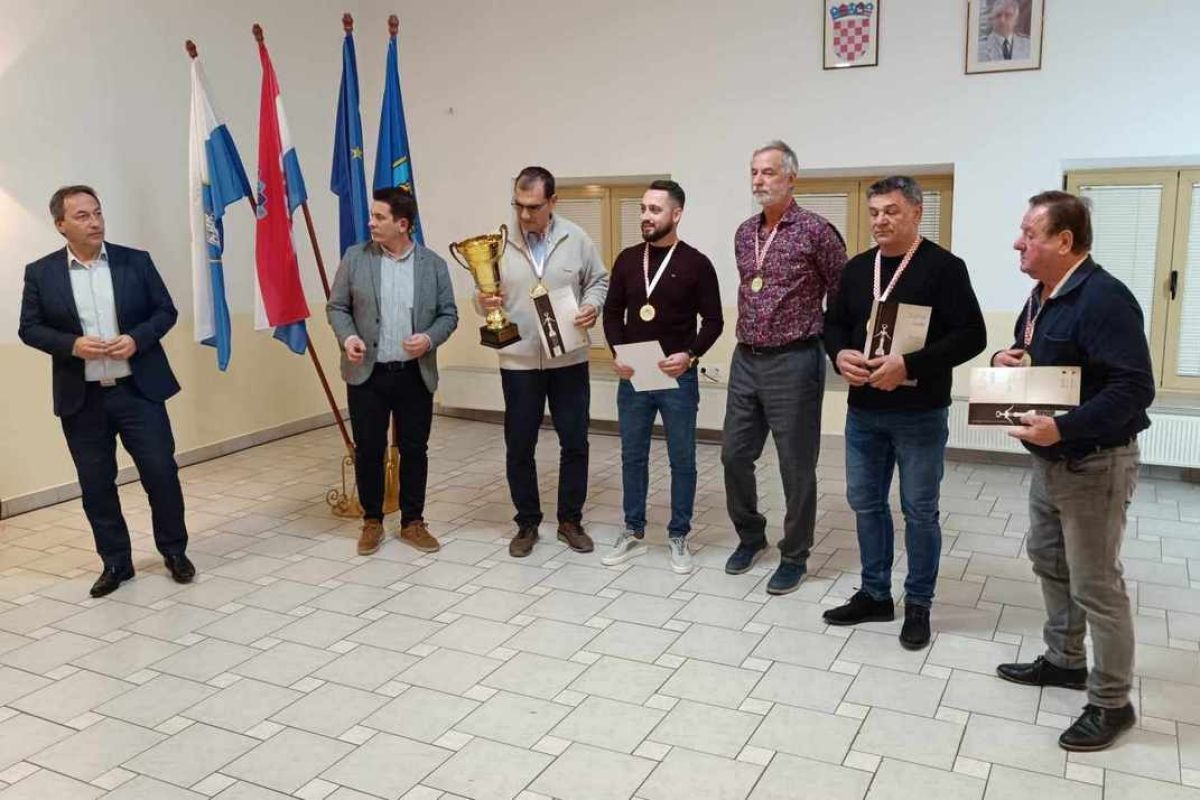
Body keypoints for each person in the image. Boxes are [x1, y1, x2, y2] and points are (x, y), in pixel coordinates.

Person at [993, 191, 1154, 752]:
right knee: (1049, 559)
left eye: (1029, 234)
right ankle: (1064, 660)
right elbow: (1033, 355)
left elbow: (1134, 389)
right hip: (1052, 460)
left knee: (1096, 584)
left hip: (1095, 462)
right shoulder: (1042, 295)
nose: (1017, 242)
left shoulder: (1106, 298)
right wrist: (1005, 360)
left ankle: (1112, 702)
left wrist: (1064, 429)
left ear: (1064, 241)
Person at [822, 176, 986, 649]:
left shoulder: (944, 268)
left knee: (919, 511)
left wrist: (910, 365)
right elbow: (833, 325)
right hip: (864, 412)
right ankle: (875, 594)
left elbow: (972, 335)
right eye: (874, 212)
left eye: (891, 211)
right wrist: (839, 354)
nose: (880, 220)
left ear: (916, 212)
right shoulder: (857, 269)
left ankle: (918, 604)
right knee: (866, 503)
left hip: (920, 413)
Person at [18, 186, 195, 597]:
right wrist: (71, 345)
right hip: (83, 400)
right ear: (60, 225)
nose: (94, 222)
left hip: (139, 391)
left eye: (97, 212)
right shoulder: (41, 273)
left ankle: (174, 551)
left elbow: (165, 311)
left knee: (161, 473)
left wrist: (137, 338)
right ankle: (116, 562)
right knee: (96, 485)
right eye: (82, 216)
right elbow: (29, 328)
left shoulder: (136, 261)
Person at [721, 140, 847, 595]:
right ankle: (750, 536)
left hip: (795, 360)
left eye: (769, 172)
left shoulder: (816, 231)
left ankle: (794, 555)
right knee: (734, 454)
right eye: (754, 172)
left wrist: (833, 347)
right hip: (746, 358)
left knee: (795, 465)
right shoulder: (744, 233)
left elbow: (843, 294)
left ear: (791, 177)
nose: (759, 180)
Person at [477, 167, 608, 558]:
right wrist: (483, 303)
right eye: (518, 205)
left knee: (575, 441)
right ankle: (527, 523)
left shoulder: (576, 238)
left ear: (553, 201)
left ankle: (570, 520)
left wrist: (591, 306)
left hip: (568, 359)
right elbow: (482, 295)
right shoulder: (497, 243)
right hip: (518, 362)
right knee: (519, 445)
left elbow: (599, 280)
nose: (524, 214)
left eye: (533, 207)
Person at [327, 187, 459, 556]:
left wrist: (429, 339)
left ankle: (413, 521)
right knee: (369, 448)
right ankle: (372, 520)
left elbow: (449, 314)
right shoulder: (355, 258)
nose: (371, 223)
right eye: (372, 216)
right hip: (367, 374)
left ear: (402, 224)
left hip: (414, 374)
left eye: (379, 217)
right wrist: (349, 337)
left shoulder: (433, 265)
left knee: (415, 449)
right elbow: (337, 307)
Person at [600, 180, 723, 574]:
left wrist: (690, 355)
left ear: (676, 214)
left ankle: (679, 534)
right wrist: (618, 352)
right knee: (632, 456)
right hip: (634, 373)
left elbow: (714, 321)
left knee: (682, 458)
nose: (646, 216)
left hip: (677, 376)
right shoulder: (627, 260)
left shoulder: (696, 263)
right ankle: (632, 529)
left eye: (654, 209)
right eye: (643, 209)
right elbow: (611, 313)